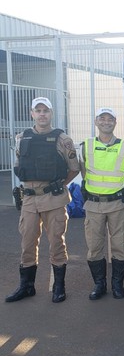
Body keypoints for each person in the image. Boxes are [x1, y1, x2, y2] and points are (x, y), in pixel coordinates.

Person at [6, 97, 79, 303]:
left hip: (53, 198)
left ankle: (58, 286)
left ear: (51, 113)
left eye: (45, 110)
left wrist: (58, 184)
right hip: (29, 200)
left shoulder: (63, 139)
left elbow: (74, 168)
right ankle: (26, 286)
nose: (42, 114)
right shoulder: (23, 138)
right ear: (32, 113)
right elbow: (20, 165)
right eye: (38, 110)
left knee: (56, 242)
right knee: (27, 243)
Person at [79, 108, 124, 300]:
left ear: (115, 123)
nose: (106, 122)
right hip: (93, 205)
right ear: (96, 122)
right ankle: (99, 284)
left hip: (117, 204)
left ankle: (117, 284)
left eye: (110, 119)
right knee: (94, 247)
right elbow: (82, 170)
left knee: (119, 245)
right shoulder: (86, 146)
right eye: (102, 118)